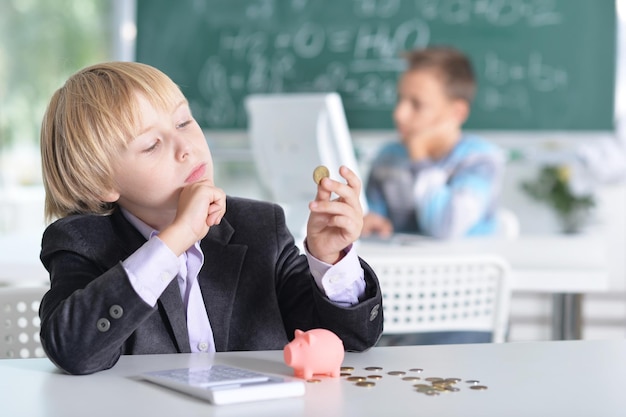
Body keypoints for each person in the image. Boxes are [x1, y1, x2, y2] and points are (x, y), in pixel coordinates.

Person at [38, 62, 383, 375]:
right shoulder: (81, 242)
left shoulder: (260, 226)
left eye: (184, 122)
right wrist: (175, 239)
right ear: (102, 183)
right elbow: (73, 351)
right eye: (151, 145)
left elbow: (347, 342)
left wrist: (329, 260)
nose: (185, 146)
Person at [362, 46, 505, 240]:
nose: (399, 114)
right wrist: (369, 223)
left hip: (465, 266)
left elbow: (446, 227)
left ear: (457, 113)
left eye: (417, 104)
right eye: (400, 99)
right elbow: (372, 217)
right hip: (404, 266)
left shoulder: (481, 160)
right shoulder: (388, 157)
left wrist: (420, 156)